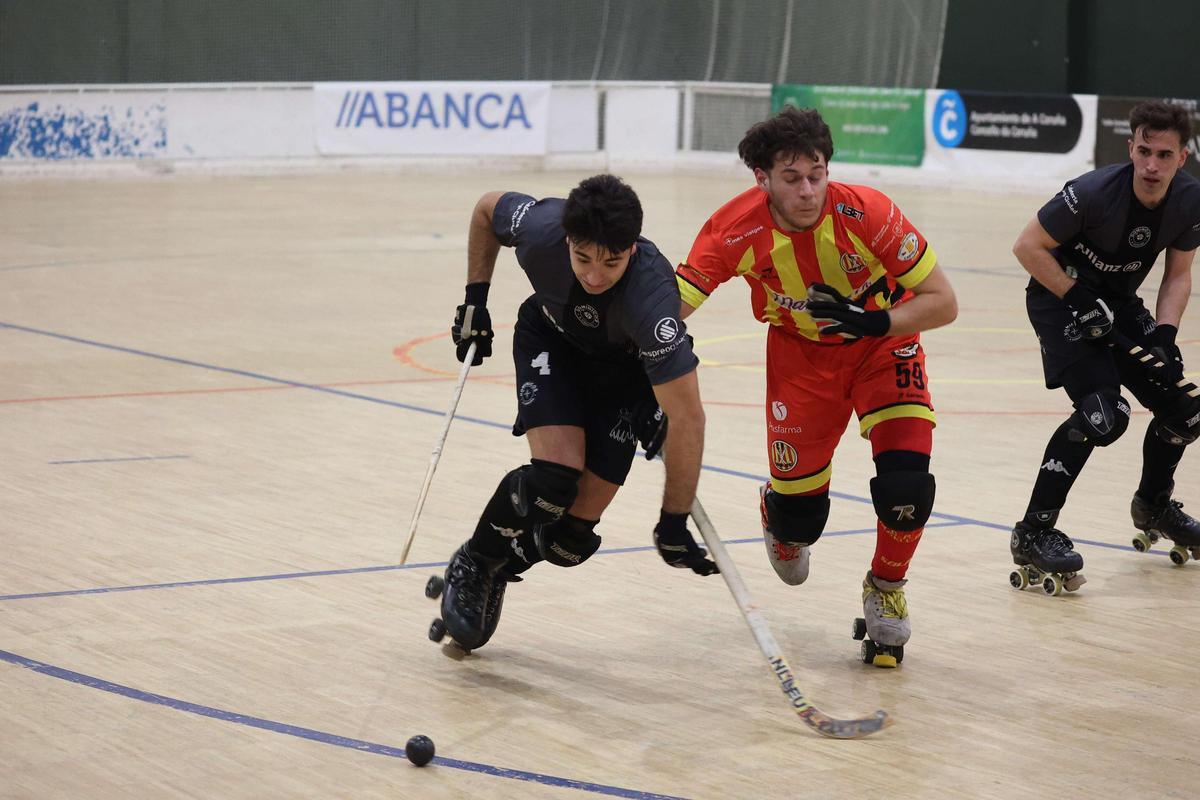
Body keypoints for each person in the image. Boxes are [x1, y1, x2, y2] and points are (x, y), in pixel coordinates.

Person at [675, 107, 958, 667]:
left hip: (884, 345)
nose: (809, 191)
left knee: (908, 488)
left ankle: (886, 585)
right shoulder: (736, 227)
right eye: (791, 178)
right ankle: (780, 514)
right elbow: (673, 307)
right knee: (801, 519)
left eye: (817, 174)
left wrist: (874, 322)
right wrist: (634, 357)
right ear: (762, 179)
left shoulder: (868, 212)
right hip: (800, 361)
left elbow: (942, 303)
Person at [437, 174, 717, 652]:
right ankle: (476, 563)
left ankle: (506, 566)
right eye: (583, 257)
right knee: (553, 480)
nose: (594, 275)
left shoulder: (653, 300)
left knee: (568, 544)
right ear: (566, 239)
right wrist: (475, 301)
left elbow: (689, 420)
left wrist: (672, 521)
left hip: (622, 377)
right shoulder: (542, 226)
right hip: (552, 343)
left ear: (632, 249)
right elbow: (487, 209)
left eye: (612, 262)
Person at [1009, 100, 1200, 591]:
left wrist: (1164, 335)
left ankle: (1153, 505)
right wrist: (1075, 294)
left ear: (1183, 157)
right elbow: (1027, 247)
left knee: (1186, 411)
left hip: (1117, 303)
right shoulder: (1092, 193)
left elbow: (1179, 275)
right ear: (1130, 148)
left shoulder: (1189, 201)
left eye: (1164, 154)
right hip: (1059, 301)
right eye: (1143, 151)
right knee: (1104, 414)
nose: (1152, 165)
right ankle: (1034, 531)